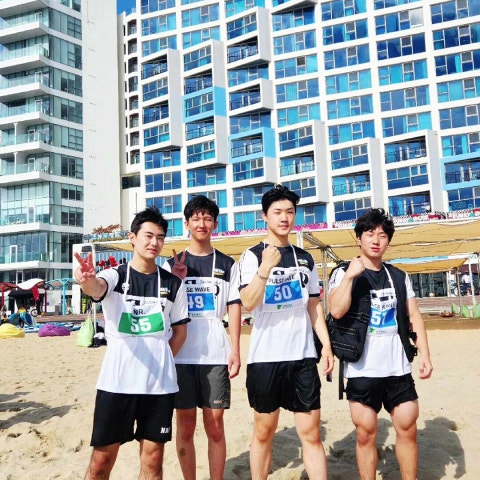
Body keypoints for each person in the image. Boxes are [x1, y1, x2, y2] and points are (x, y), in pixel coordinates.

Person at [73, 205, 189, 480]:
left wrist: (161, 360)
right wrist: (87, 281)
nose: (154, 242)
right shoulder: (116, 275)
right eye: (148, 235)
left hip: (159, 387)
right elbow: (97, 288)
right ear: (132, 238)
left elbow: (180, 332)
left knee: (153, 461)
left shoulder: (173, 283)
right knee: (101, 461)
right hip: (117, 384)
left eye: (160, 237)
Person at [328, 208, 433, 480]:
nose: (376, 240)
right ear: (359, 238)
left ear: (388, 241)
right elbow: (336, 310)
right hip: (362, 369)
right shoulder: (342, 273)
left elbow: (414, 316)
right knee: (366, 434)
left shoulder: (398, 276)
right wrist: (350, 276)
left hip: (397, 367)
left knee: (408, 427)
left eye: (383, 235)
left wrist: (425, 355)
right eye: (370, 233)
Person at [238, 184, 334, 480]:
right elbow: (248, 303)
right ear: (264, 216)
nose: (284, 218)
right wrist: (265, 269)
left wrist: (326, 346)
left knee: (311, 434)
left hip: (302, 357)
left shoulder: (305, 259)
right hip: (265, 359)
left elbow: (314, 306)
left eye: (290, 212)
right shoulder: (252, 256)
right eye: (277, 212)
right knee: (263, 432)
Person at [163, 195, 241, 480]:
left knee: (215, 426)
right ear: (186, 224)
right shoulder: (171, 264)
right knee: (184, 426)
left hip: (215, 354)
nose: (202, 224)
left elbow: (234, 306)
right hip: (180, 354)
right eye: (196, 218)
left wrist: (236, 349)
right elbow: (165, 308)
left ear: (215, 224)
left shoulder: (227, 263)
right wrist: (177, 279)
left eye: (207, 218)